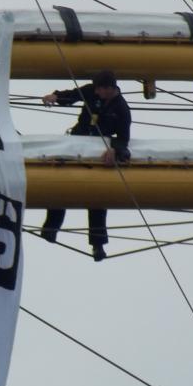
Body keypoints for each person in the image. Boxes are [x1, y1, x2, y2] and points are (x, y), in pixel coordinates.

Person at [40, 70, 131, 262]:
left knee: (96, 193)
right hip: (77, 141)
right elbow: (73, 95)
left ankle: (97, 245)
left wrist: (114, 149)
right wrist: (56, 97)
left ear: (110, 89)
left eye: (100, 90)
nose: (97, 93)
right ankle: (51, 228)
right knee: (61, 182)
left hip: (98, 150)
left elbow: (123, 138)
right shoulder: (91, 91)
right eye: (96, 89)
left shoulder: (122, 109)